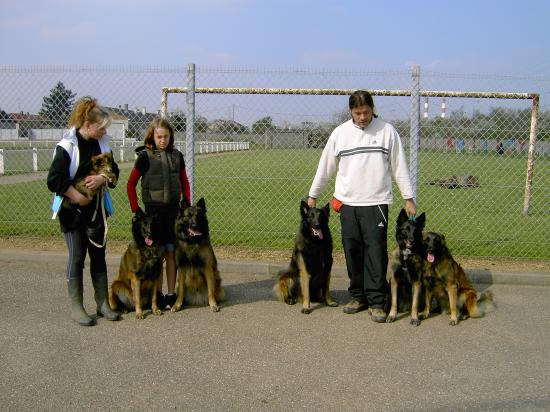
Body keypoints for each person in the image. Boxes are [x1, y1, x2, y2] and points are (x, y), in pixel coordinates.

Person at [307, 90, 417, 323]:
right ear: (351, 112)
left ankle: (377, 301)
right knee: (352, 251)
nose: (362, 117)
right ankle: (357, 296)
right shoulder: (340, 134)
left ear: (372, 108)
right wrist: (313, 194)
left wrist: (408, 197)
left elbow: (399, 166)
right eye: (357, 113)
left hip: (376, 203)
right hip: (347, 203)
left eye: (366, 112)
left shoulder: (387, 131)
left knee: (375, 252)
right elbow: (325, 167)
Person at [47, 96, 121, 326]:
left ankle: (102, 304)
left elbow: (115, 172)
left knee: (98, 255)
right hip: (72, 211)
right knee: (77, 256)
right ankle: (77, 307)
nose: (104, 132)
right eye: (101, 128)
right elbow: (53, 180)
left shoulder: (103, 145)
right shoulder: (67, 146)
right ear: (88, 125)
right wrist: (75, 195)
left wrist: (102, 178)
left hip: (97, 212)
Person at [127, 117, 190, 310]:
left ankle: (172, 294)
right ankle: (159, 294)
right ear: (152, 136)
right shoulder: (144, 156)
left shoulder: (177, 156)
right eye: (159, 136)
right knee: (158, 255)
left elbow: (184, 181)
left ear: (171, 137)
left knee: (171, 253)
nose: (162, 140)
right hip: (153, 213)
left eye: (166, 137)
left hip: (173, 212)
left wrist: (186, 201)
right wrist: (136, 209)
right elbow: (130, 184)